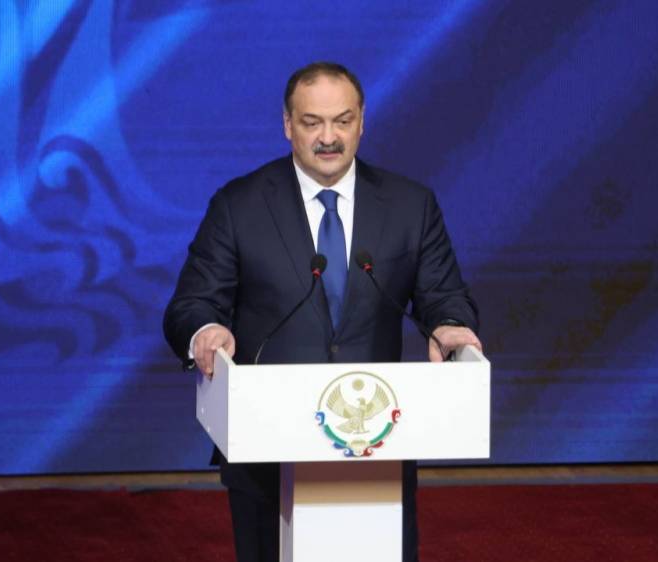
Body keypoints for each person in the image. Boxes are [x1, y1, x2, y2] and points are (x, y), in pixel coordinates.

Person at [163, 61, 481, 562]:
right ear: (287, 125)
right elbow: (192, 303)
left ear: (362, 123)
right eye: (312, 123)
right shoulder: (239, 205)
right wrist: (205, 331)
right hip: (266, 451)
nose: (328, 137)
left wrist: (451, 327)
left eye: (342, 121)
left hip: (376, 443)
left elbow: (444, 295)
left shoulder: (410, 205)